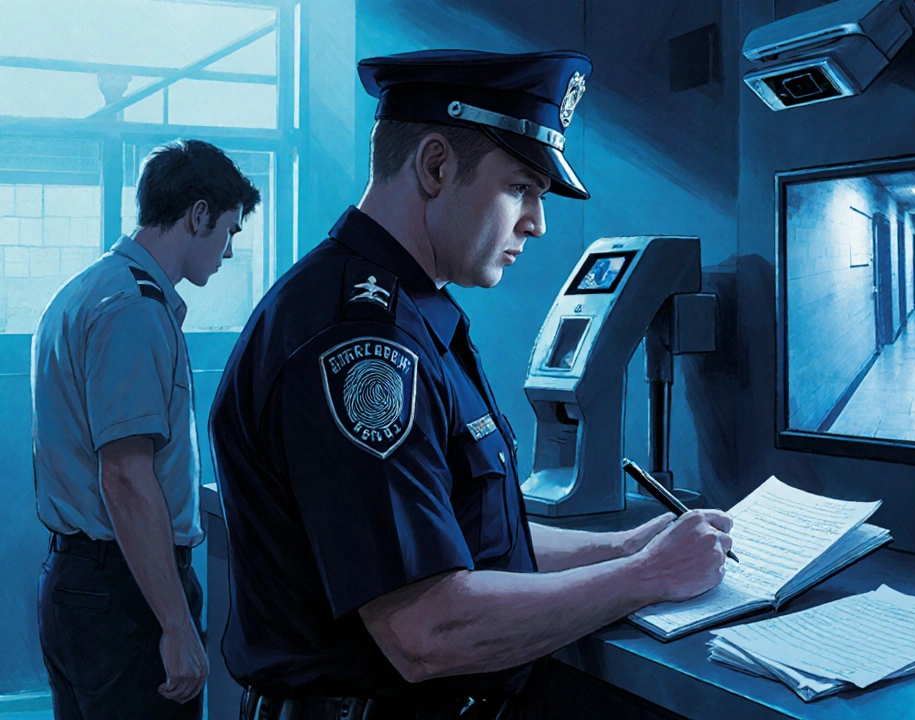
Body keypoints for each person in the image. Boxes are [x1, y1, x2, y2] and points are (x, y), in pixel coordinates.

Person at [209, 49, 733, 720]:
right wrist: (651, 577)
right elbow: (425, 628)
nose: (537, 222)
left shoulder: (408, 314)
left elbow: (468, 540)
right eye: (521, 187)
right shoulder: (362, 344)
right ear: (435, 166)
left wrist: (627, 546)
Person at [32, 139, 260, 719]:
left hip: (83, 581)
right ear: (199, 214)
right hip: (125, 593)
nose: (229, 252)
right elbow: (127, 480)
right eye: (230, 231)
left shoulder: (82, 292)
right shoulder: (133, 309)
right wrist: (176, 625)